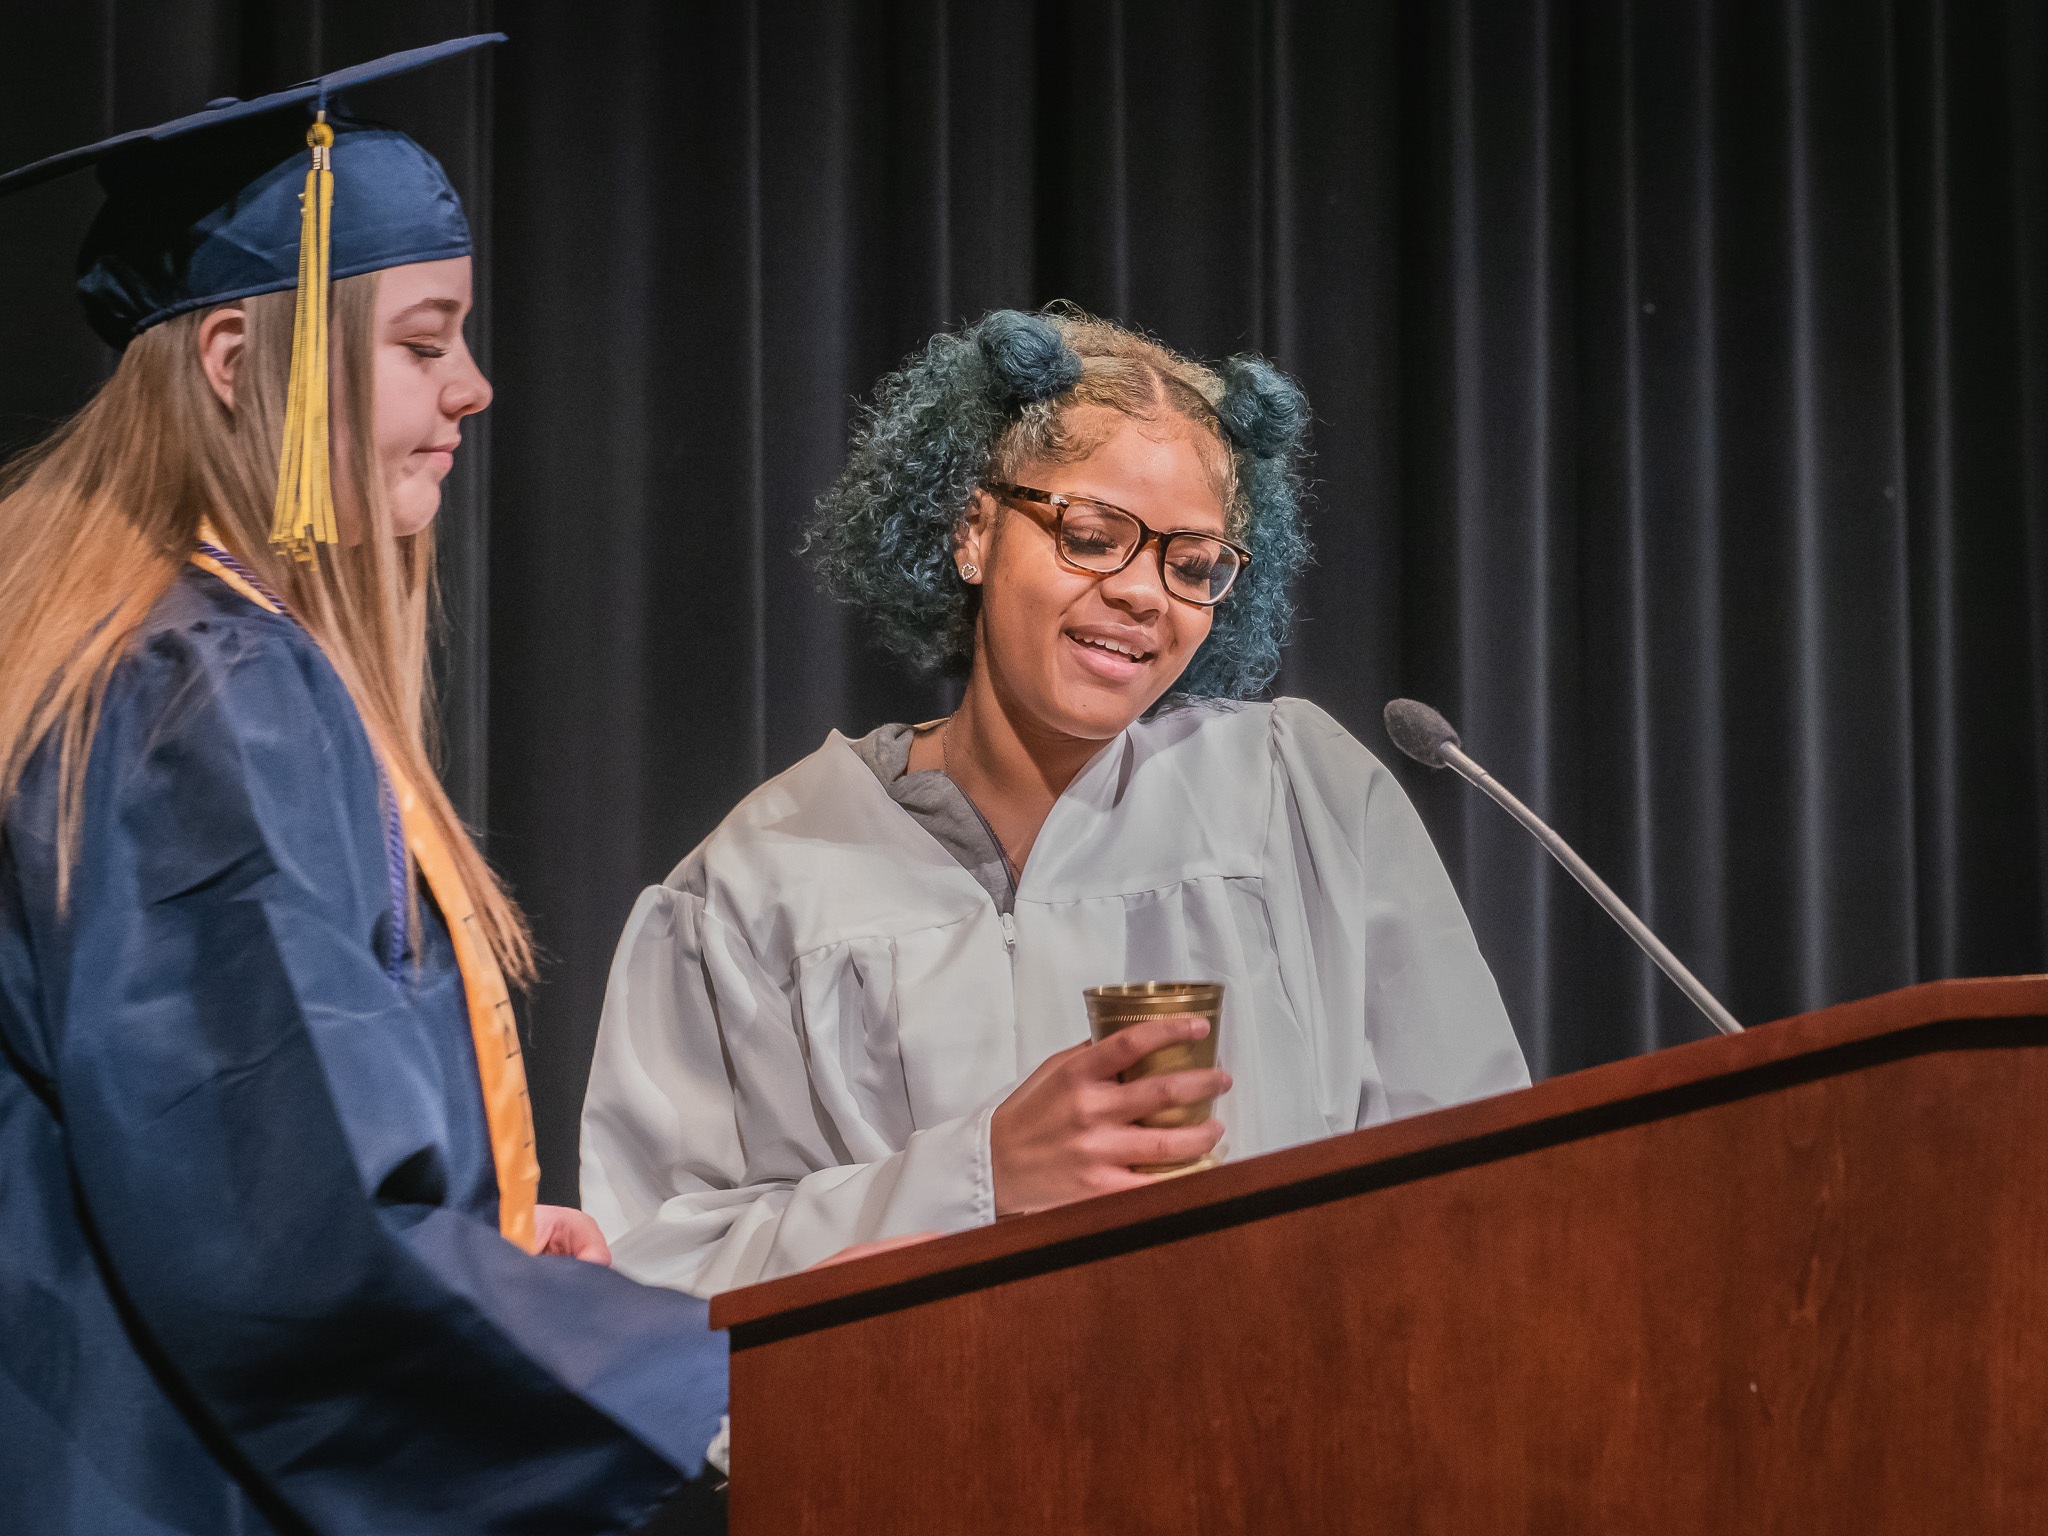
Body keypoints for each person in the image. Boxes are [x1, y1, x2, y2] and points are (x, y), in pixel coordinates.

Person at [0, 37, 726, 1535]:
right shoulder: (199, 684)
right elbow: (293, 1231)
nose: (474, 387)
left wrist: (489, 1250)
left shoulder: (113, 643)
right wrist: (684, 1380)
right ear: (235, 360)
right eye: (421, 342)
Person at [580, 307, 1531, 1297]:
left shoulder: (1299, 798)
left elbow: (1478, 1183)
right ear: (973, 530)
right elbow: (659, 1268)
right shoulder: (765, 873)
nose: (1143, 593)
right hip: (927, 1396)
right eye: (1092, 536)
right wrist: (978, 1175)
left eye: (1191, 564)